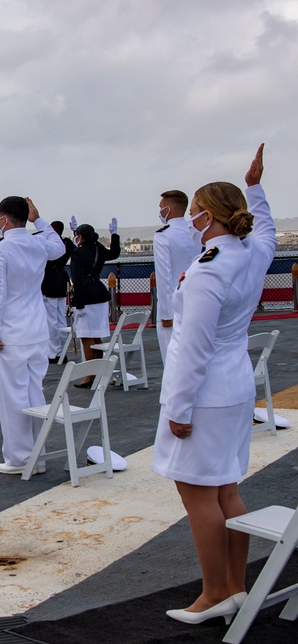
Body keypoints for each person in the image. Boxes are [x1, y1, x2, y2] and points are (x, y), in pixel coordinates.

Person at [153, 144, 276, 625]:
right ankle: (236, 588)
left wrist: (178, 408)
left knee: (198, 493)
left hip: (204, 394)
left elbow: (193, 346)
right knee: (226, 488)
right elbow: (264, 226)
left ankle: (212, 593)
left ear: (204, 217)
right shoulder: (253, 252)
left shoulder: (208, 270)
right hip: (236, 385)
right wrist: (255, 185)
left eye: (196, 212)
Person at [0, 197, 65, 474]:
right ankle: (37, 456)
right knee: (34, 394)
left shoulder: (0, 250)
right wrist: (38, 220)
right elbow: (59, 247)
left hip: (10, 333)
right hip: (36, 330)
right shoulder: (38, 242)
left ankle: (19, 459)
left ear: (4, 218)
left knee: (12, 398)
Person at [68, 219, 121, 386]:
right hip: (99, 293)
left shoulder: (77, 254)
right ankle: (99, 371)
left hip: (86, 297)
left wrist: (78, 303)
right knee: (96, 335)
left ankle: (90, 375)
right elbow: (114, 253)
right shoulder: (98, 248)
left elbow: (77, 279)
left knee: (86, 336)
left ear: (81, 236)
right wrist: (114, 235)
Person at [153, 189, 201, 364]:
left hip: (173, 304)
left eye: (161, 208)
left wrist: (166, 313)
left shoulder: (163, 236)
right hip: (195, 299)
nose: (159, 211)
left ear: (168, 210)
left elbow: (164, 277)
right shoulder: (194, 231)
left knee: (172, 362)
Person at [41, 220, 76, 362]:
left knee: (50, 320)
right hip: (61, 280)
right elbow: (77, 250)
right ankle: (61, 349)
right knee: (61, 319)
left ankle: (53, 352)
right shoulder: (66, 243)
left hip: (49, 281)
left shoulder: (49, 245)